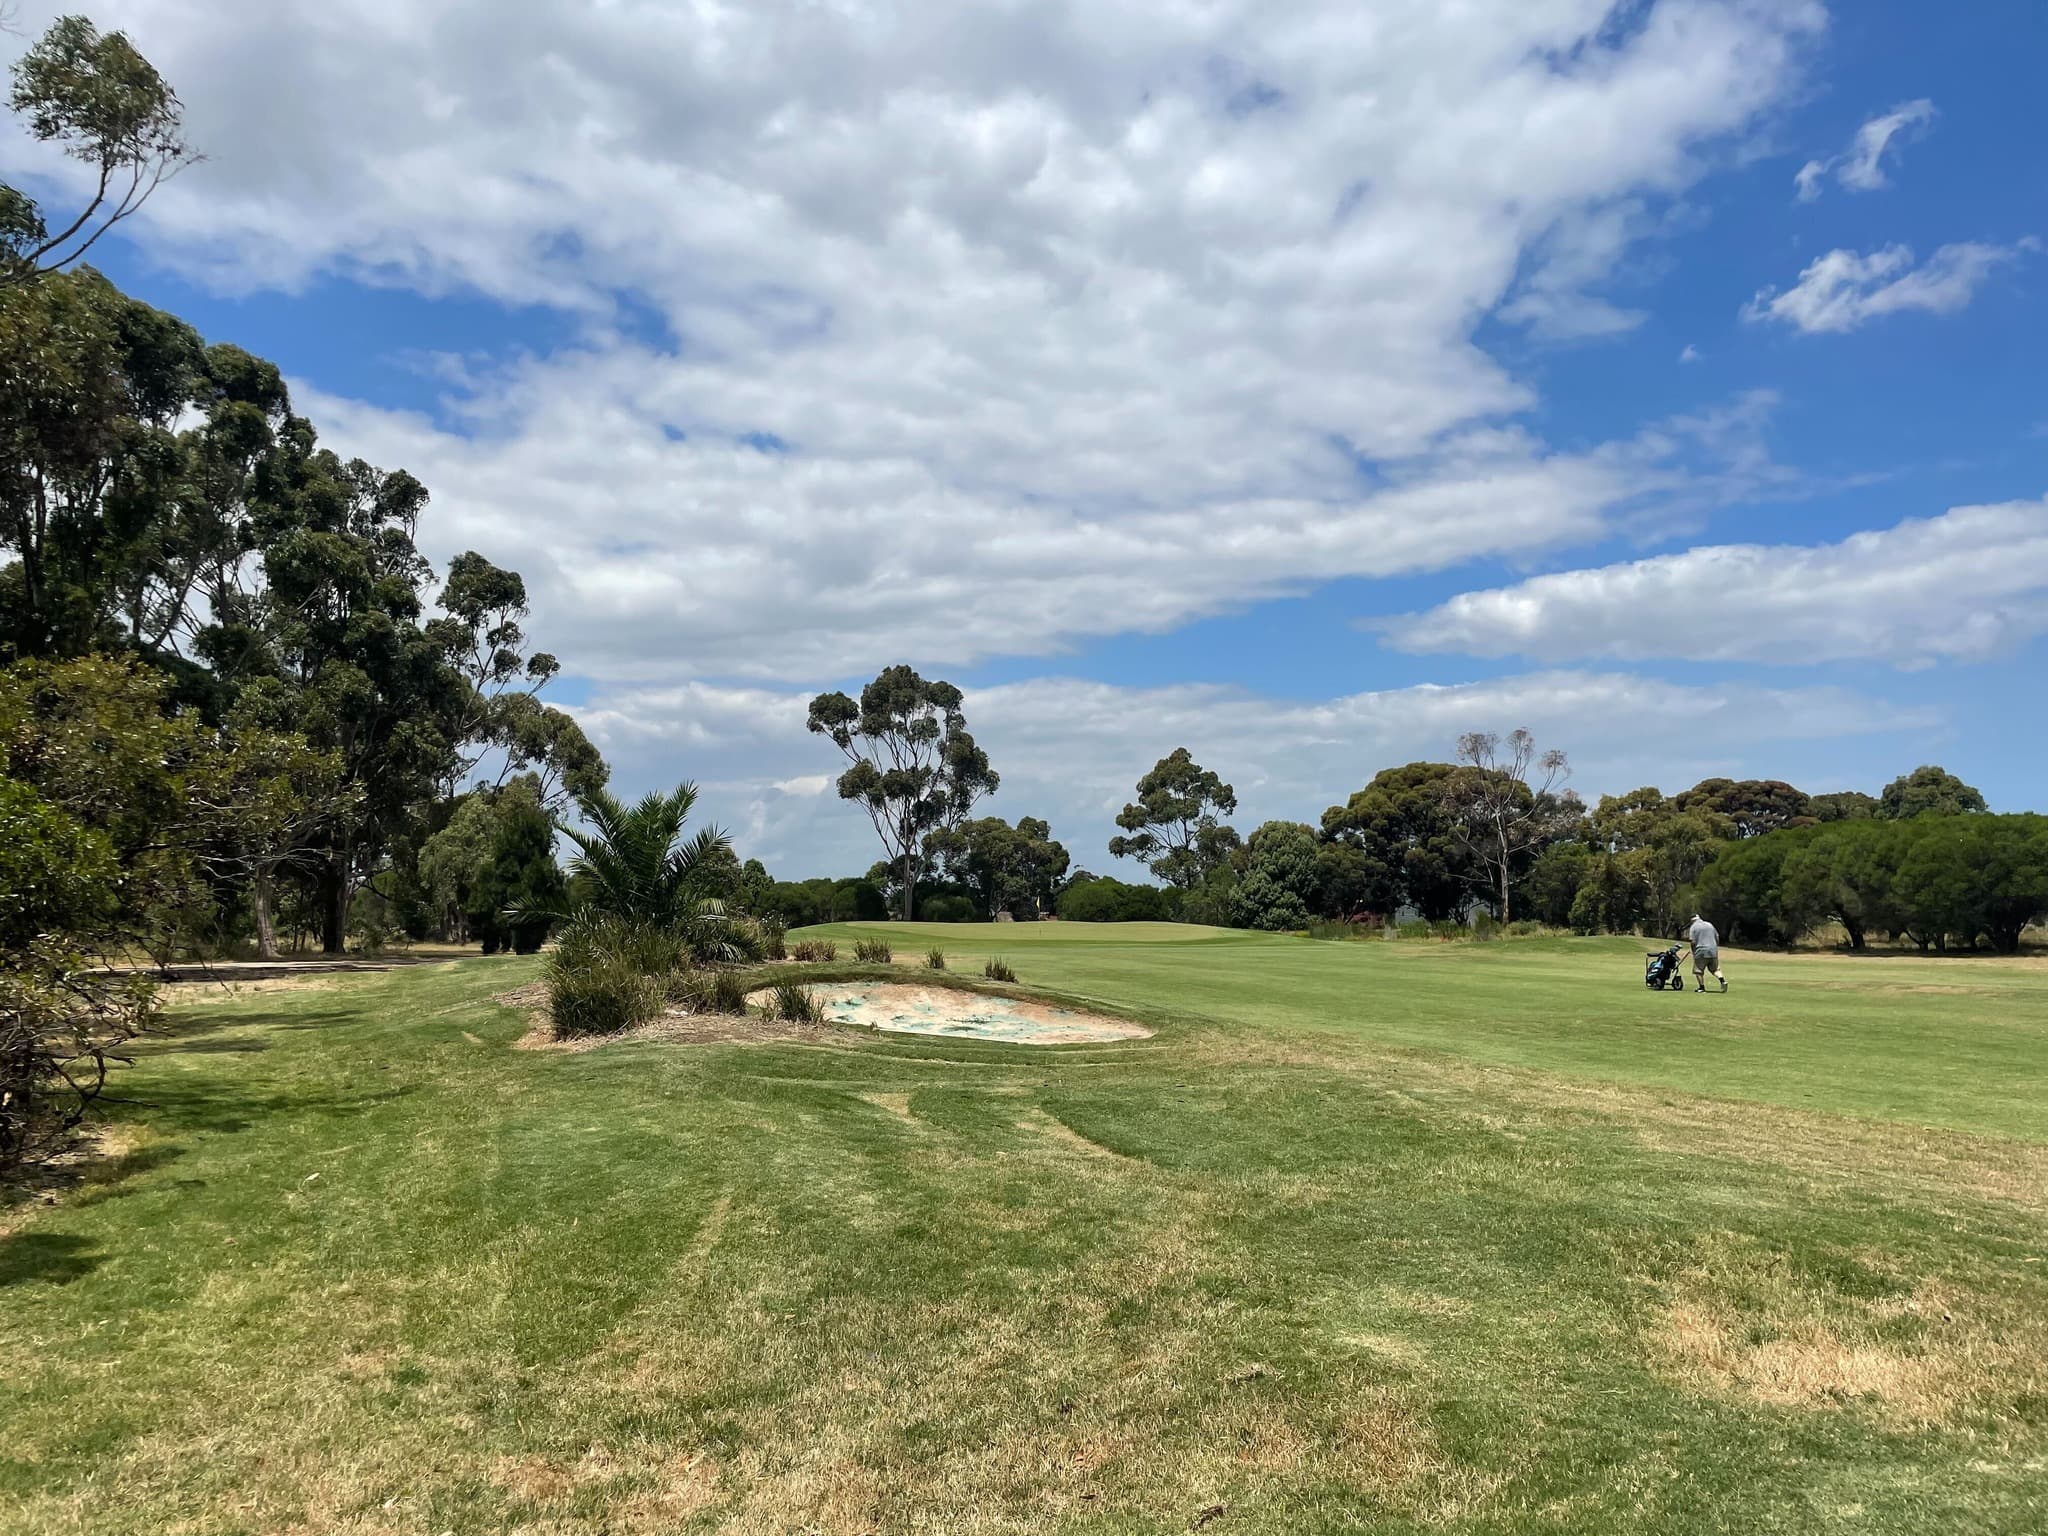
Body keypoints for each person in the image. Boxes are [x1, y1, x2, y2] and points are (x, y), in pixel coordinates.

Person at [1686, 913, 1727, 993]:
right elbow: (1717, 937)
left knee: (1698, 970)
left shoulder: (1693, 927)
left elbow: (1693, 941)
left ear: (1692, 920)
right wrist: (1715, 947)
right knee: (1715, 969)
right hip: (1713, 950)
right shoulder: (1709, 924)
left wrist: (1694, 951)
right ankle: (1722, 981)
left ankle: (1701, 988)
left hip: (1701, 950)